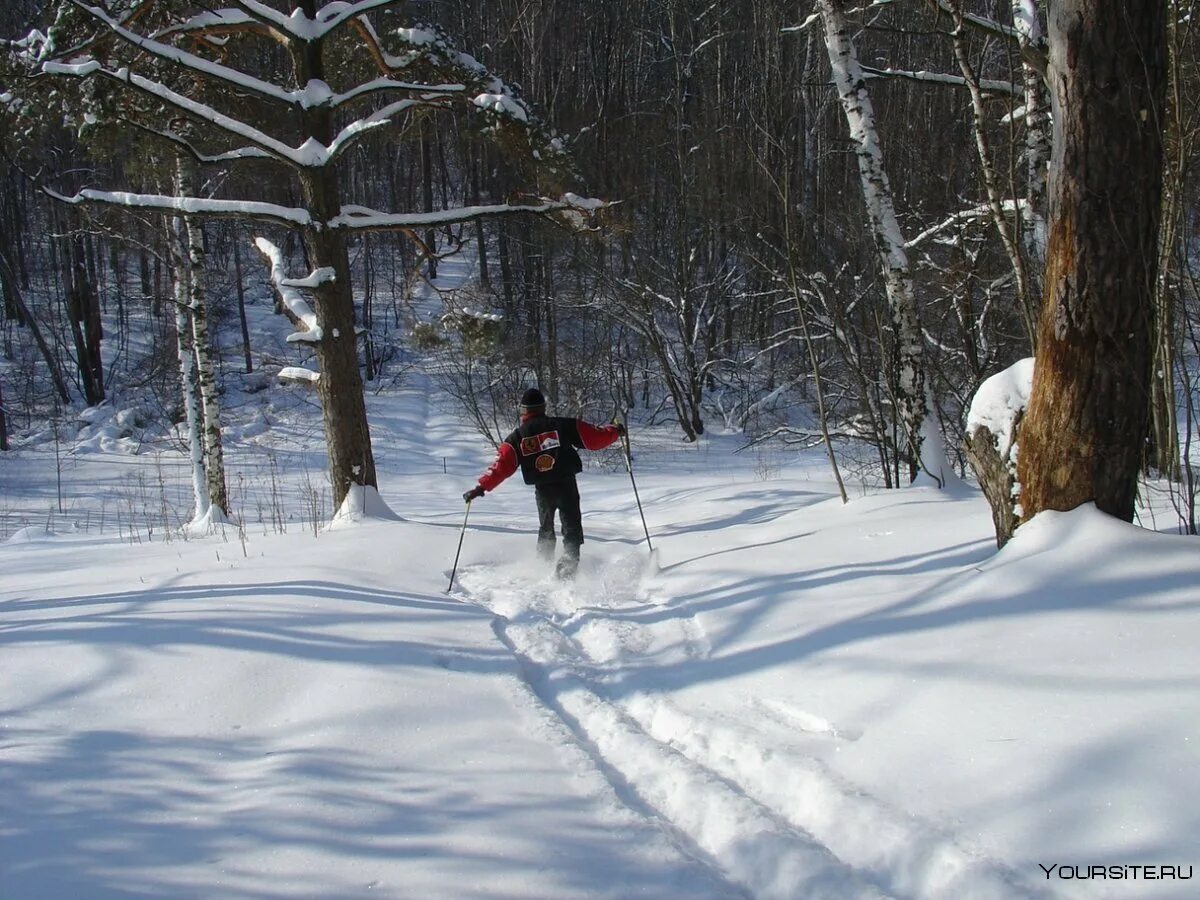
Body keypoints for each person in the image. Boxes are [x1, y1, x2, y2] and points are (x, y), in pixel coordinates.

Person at [464, 388, 625, 579]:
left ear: (523, 411)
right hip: (566, 485)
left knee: (546, 527)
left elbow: (501, 467)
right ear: (542, 408)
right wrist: (615, 431)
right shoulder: (562, 425)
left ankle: (542, 566)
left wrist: (481, 488)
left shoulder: (517, 438)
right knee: (571, 526)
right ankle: (569, 565)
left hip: (543, 490)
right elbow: (595, 438)